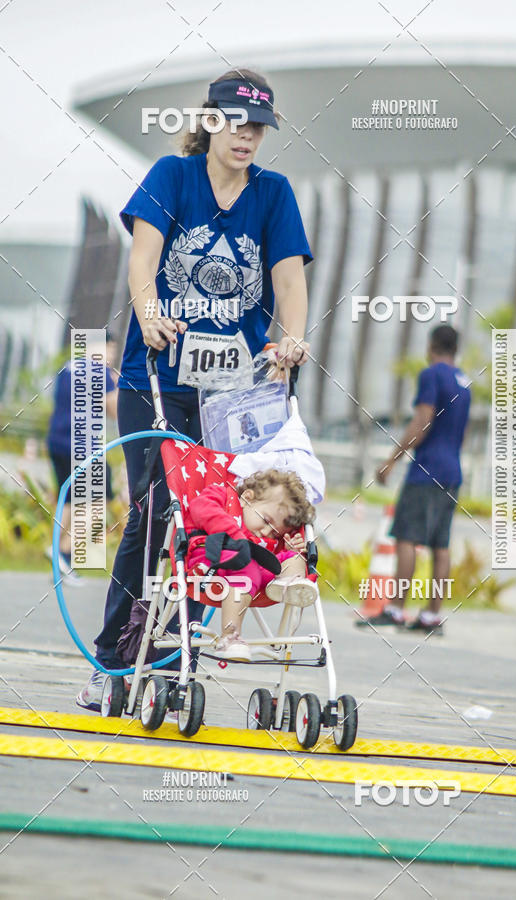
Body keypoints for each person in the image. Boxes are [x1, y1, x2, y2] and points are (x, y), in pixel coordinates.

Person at [77, 67, 313, 710]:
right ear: (210, 121)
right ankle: (112, 659)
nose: (246, 137)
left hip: (233, 392)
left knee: (218, 524)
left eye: (257, 127)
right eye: (235, 122)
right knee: (155, 514)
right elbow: (143, 262)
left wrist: (291, 336)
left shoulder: (274, 193)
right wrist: (149, 312)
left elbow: (289, 283)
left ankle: (173, 658)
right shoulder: (170, 178)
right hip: (156, 376)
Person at [356, 324, 471, 633]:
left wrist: (391, 460)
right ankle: (432, 616)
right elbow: (464, 431)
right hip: (452, 471)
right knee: (440, 545)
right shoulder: (464, 381)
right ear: (455, 348)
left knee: (407, 538)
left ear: (431, 345)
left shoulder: (431, 375)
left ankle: (395, 610)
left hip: (427, 470)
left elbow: (423, 420)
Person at [187, 469, 317, 661]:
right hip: (211, 562)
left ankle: (290, 583)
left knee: (294, 557)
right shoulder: (223, 497)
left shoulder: (263, 538)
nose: (266, 532)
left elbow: (272, 557)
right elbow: (201, 508)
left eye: (275, 533)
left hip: (257, 574)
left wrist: (290, 549)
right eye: (266, 521)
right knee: (247, 566)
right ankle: (229, 637)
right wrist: (236, 536)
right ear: (247, 497)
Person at [46, 335, 119, 586]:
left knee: (68, 499)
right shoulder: (99, 370)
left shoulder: (67, 367)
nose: (111, 356)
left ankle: (58, 553)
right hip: (83, 446)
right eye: (110, 349)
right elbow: (113, 409)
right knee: (100, 500)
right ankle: (64, 554)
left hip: (57, 440)